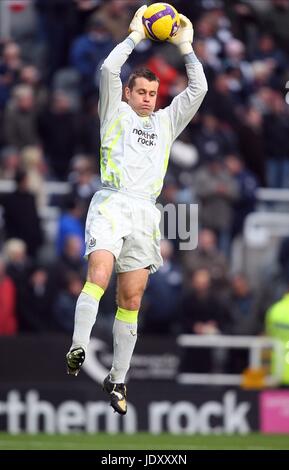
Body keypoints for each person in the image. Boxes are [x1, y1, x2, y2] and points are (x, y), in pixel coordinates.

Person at [66, 5, 208, 415]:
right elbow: (109, 70)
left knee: (131, 298)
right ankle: (78, 345)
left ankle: (118, 379)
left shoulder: (165, 122)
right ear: (128, 93)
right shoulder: (115, 112)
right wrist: (134, 36)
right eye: (141, 92)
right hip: (112, 201)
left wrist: (186, 47)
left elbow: (197, 91)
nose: (147, 99)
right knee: (100, 273)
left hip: (147, 213)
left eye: (152, 93)